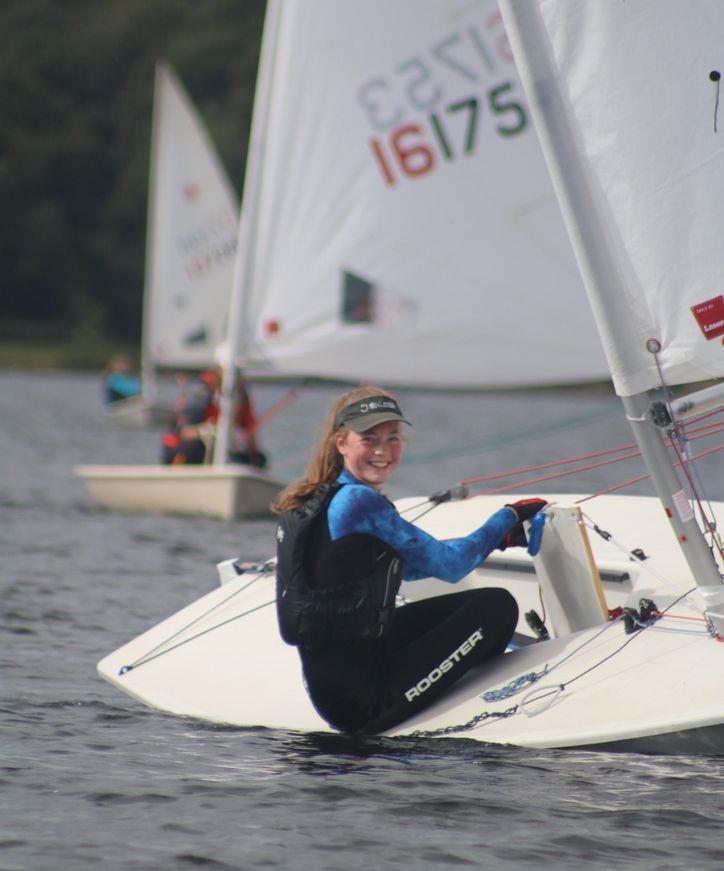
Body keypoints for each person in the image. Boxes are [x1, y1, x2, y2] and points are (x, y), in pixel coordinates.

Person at [271, 385, 547, 735]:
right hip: (364, 703)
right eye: (369, 439)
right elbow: (450, 567)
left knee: (477, 603)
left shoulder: (319, 498)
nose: (383, 451)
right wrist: (508, 518)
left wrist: (495, 540)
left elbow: (406, 569)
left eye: (393, 438)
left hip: (336, 687)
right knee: (498, 608)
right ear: (341, 442)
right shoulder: (358, 502)